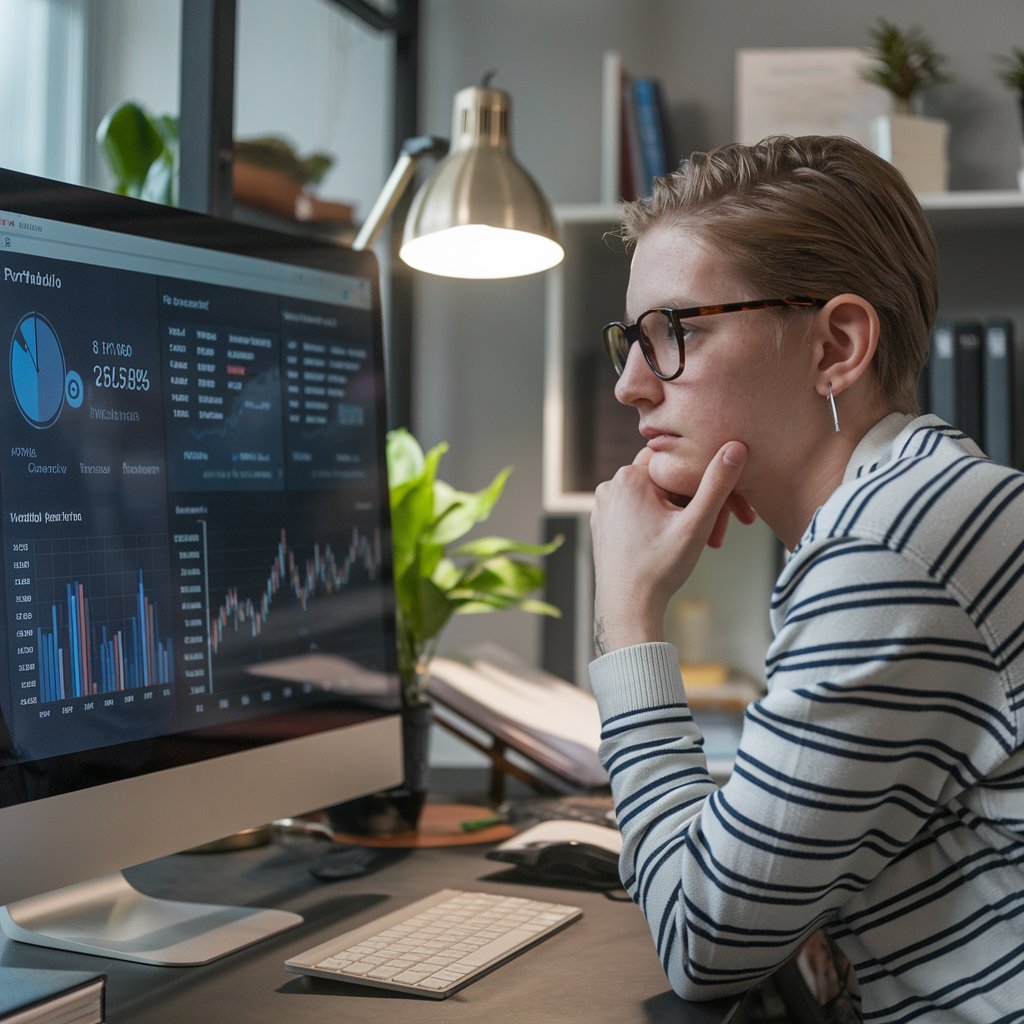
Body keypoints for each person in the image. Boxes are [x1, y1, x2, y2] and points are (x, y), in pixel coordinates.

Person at [588, 134, 1024, 1023]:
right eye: (630, 340)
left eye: (677, 332)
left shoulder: (891, 548)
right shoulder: (918, 499)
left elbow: (701, 941)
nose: (633, 384)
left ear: (837, 345)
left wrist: (629, 615)